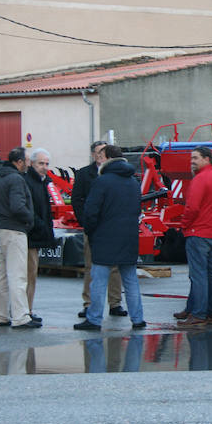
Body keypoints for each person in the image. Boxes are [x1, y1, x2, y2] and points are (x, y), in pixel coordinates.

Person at [74, 145, 146, 331]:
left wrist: (91, 231)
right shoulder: (133, 182)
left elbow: (91, 212)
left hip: (105, 238)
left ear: (106, 157)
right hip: (129, 238)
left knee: (98, 280)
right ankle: (138, 319)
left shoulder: (102, 181)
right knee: (130, 280)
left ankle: (94, 319)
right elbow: (137, 210)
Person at [176, 146, 212, 328]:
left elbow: (192, 208)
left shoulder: (200, 179)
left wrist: (183, 225)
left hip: (198, 233)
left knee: (198, 276)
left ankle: (198, 314)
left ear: (207, 159)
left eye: (196, 158)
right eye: (191, 158)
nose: (192, 161)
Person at [71, 141, 127, 319]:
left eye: (104, 151)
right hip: (93, 227)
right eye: (99, 152)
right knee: (91, 266)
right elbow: (77, 200)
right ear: (93, 155)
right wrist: (86, 222)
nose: (102, 154)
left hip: (111, 227)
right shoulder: (84, 174)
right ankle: (89, 304)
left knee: (114, 267)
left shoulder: (116, 173)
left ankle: (115, 303)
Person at [0, 147, 40, 329]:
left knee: (2, 274)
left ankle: (0, 315)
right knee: (18, 275)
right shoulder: (16, 179)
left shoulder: (1, 177)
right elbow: (18, 206)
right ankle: (20, 317)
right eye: (27, 161)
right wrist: (30, 219)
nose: (29, 164)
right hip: (15, 230)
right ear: (19, 162)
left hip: (1, 228)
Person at [24, 147, 55, 321]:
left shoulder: (43, 182)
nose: (44, 167)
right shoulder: (30, 182)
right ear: (31, 163)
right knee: (28, 276)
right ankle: (26, 311)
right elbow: (31, 211)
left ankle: (27, 309)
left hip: (36, 235)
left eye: (47, 164)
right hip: (30, 236)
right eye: (41, 163)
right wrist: (42, 226)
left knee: (31, 276)